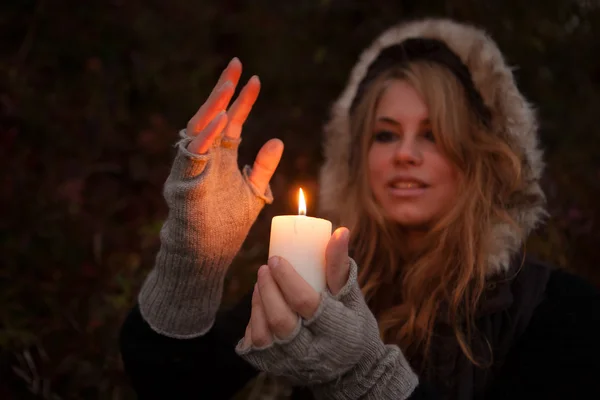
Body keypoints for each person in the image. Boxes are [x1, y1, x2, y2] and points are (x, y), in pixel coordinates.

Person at [119, 18, 600, 399]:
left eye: (432, 134)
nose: (404, 154)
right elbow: (173, 386)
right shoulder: (315, 281)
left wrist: (363, 377)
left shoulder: (559, 311)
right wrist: (193, 259)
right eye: (385, 134)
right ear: (359, 159)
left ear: (476, 158)